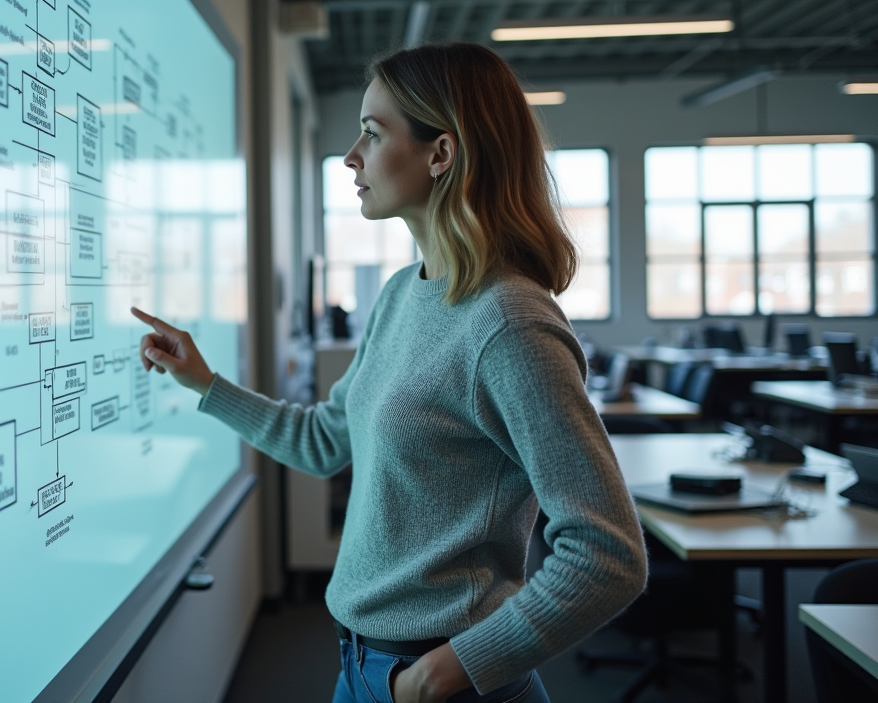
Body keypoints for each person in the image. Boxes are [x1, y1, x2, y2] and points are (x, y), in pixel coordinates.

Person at [131, 43, 647, 703]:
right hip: (361, 665)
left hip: (439, 679)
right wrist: (206, 383)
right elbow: (325, 442)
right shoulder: (406, 293)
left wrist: (441, 674)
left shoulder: (511, 322)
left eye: (372, 134)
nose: (352, 156)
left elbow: (608, 556)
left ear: (441, 154)